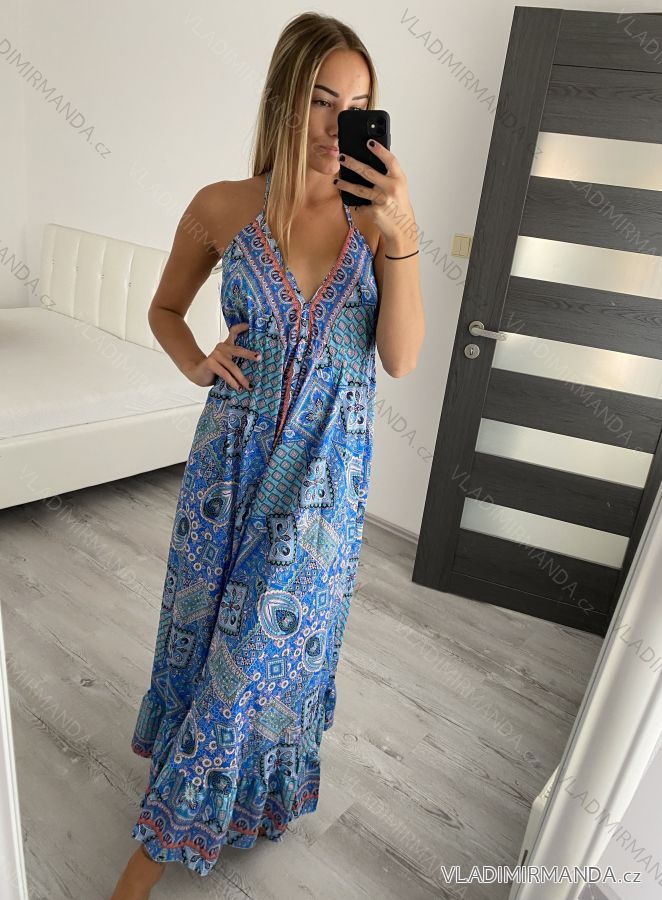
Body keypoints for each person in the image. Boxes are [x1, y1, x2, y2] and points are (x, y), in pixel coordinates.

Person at [110, 10, 424, 898]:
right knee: (207, 639)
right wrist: (196, 361)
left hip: (321, 487)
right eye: (321, 101)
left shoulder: (378, 221)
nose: (336, 125)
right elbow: (165, 309)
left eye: (357, 107)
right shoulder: (221, 207)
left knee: (253, 656)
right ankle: (214, 796)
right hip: (226, 469)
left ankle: (145, 864)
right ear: (285, 99)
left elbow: (401, 357)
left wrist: (402, 230)